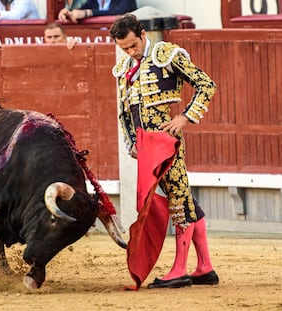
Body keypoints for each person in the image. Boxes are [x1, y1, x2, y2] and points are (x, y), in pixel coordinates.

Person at [110, 14, 219, 289]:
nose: (130, 52)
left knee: (179, 202)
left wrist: (184, 117)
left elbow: (206, 84)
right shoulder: (125, 68)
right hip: (146, 147)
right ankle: (205, 267)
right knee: (181, 197)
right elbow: (126, 110)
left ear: (143, 34)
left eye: (133, 46)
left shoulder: (167, 55)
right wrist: (132, 142)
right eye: (124, 48)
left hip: (166, 142)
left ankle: (179, 269)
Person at [58, 0, 136, 23]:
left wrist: (90, 13)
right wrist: (68, 12)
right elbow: (81, 11)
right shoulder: (93, 1)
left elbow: (119, 11)